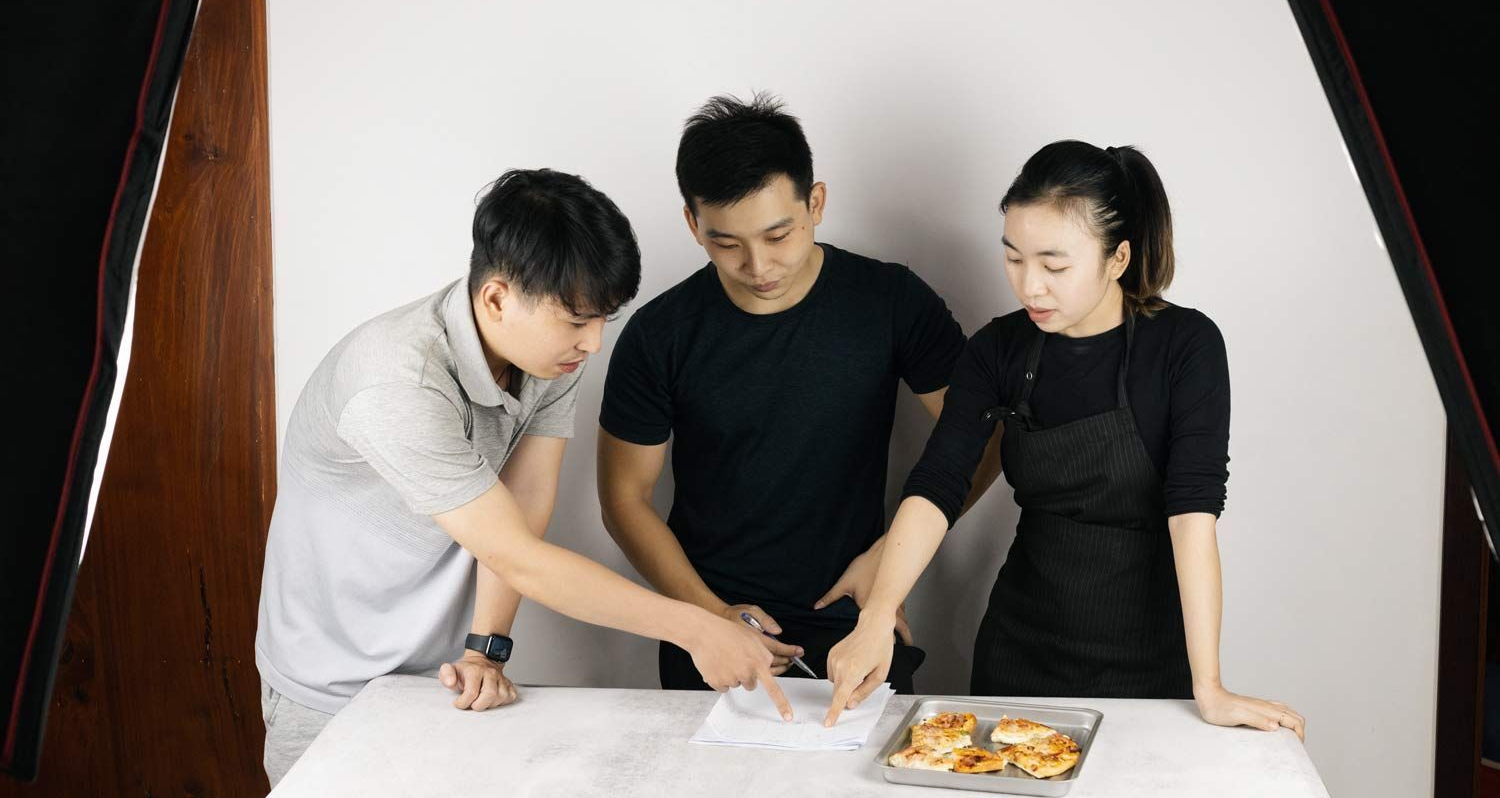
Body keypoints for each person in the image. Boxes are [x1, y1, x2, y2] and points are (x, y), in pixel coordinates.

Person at [255, 169, 790, 788]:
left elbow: (524, 502)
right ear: (496, 299)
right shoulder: (397, 386)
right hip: (330, 685)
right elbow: (522, 558)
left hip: (440, 679)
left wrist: (488, 646)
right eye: (577, 320)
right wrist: (697, 627)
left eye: (603, 321)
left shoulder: (547, 355)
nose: (593, 343)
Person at [821, 141, 1305, 741]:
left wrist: (1209, 686)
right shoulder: (997, 350)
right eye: (1013, 259)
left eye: (1054, 265)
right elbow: (938, 483)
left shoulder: (1186, 346)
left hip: (1147, 655)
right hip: (1020, 646)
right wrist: (874, 618)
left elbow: (1193, 513)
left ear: (1118, 257)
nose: (1030, 287)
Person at [597, 93, 1001, 694]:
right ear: (693, 224)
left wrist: (892, 561)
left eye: (778, 234)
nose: (758, 265)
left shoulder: (890, 301)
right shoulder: (660, 334)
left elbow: (984, 436)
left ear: (815, 204)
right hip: (712, 627)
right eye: (725, 243)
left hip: (858, 617)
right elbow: (624, 498)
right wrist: (708, 615)